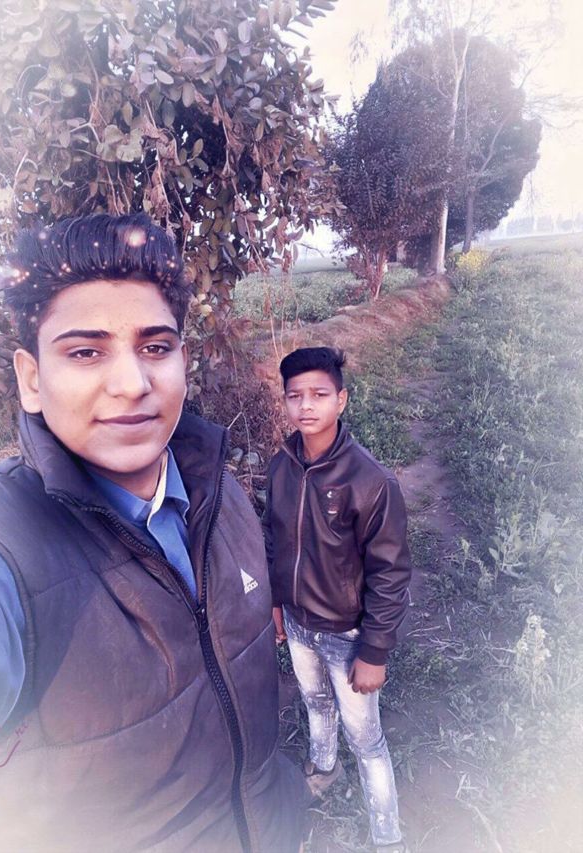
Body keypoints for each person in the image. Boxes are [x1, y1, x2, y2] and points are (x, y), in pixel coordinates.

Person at [0, 214, 307, 853]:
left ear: (183, 360)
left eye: (156, 347)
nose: (133, 384)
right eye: (85, 352)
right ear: (32, 379)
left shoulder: (218, 491)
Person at [262, 346, 411, 853]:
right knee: (315, 702)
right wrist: (277, 601)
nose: (306, 406)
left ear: (341, 400)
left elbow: (390, 573)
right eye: (295, 396)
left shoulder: (370, 481)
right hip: (299, 624)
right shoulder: (281, 467)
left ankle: (387, 834)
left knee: (366, 739)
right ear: (285, 401)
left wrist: (374, 651)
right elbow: (274, 540)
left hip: (348, 634)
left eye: (319, 394)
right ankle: (324, 770)